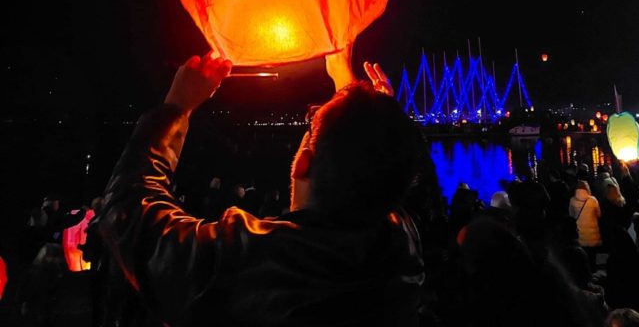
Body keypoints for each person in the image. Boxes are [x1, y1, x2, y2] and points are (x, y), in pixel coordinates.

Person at [98, 49, 425, 326]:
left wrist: (175, 107)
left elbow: (129, 213)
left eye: (310, 126)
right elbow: (378, 167)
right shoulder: (400, 249)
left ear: (303, 162)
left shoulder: (247, 261)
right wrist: (369, 111)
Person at [569, 180, 602, 269]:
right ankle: (594, 271)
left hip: (579, 233)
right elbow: (599, 214)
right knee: (593, 256)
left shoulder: (572, 200)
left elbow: (571, 216)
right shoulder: (593, 200)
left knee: (582, 257)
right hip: (592, 235)